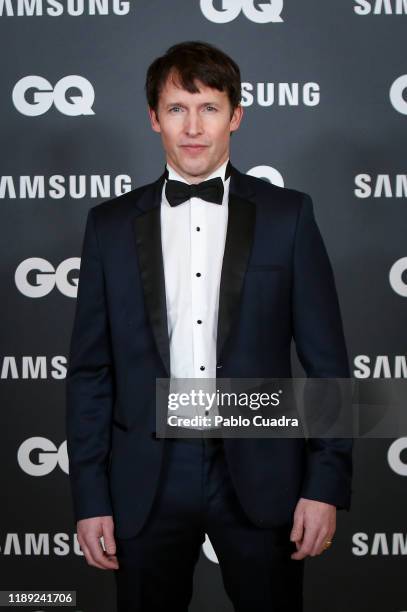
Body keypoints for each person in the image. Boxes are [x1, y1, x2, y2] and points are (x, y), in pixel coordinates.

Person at [65, 40, 353, 611]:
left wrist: (324, 485)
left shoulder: (289, 216)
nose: (193, 127)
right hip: (146, 478)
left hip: (261, 471)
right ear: (153, 119)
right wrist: (90, 496)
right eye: (176, 109)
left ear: (236, 115)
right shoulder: (109, 225)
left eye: (209, 108)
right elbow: (90, 372)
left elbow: (327, 363)